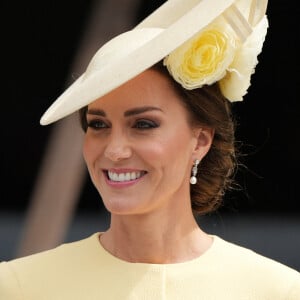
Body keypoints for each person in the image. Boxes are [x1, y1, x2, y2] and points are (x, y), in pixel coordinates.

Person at [1, 0, 299, 299]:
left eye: (143, 124)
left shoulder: (275, 290)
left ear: (201, 141)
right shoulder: (19, 286)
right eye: (99, 125)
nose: (115, 150)